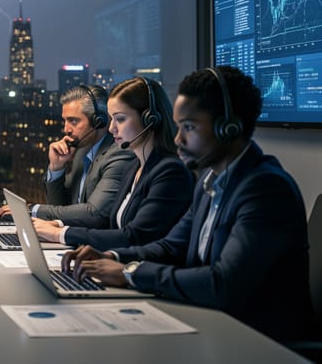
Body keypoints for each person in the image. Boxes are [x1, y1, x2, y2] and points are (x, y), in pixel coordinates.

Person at [62, 66, 313, 342]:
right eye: (179, 126)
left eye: (189, 127)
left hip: (257, 343)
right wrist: (112, 257)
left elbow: (222, 284)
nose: (178, 138)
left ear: (228, 128)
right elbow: (171, 247)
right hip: (214, 327)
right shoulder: (209, 182)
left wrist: (130, 273)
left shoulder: (265, 190)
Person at [32, 77, 193, 249]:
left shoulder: (169, 171)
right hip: (116, 260)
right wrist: (57, 223)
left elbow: (134, 236)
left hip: (137, 268)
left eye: (120, 119)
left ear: (149, 119)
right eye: (111, 119)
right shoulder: (135, 167)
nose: (111, 128)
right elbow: (106, 221)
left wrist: (60, 232)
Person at [0, 85, 135, 220]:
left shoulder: (119, 154)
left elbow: (94, 213)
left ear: (99, 121)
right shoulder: (82, 151)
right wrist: (56, 168)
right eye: (65, 121)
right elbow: (59, 207)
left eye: (73, 121)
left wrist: (31, 210)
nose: (66, 129)